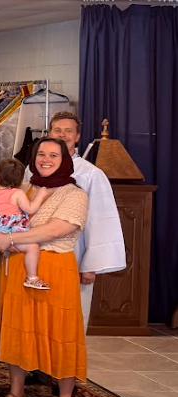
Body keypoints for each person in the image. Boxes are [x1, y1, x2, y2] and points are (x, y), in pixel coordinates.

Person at [0, 137, 89, 397]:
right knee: (18, 328)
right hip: (16, 266)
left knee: (60, 330)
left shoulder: (74, 194)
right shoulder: (24, 188)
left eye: (53, 155)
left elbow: (56, 229)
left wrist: (10, 238)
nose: (46, 159)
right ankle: (16, 392)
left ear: (65, 159)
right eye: (41, 154)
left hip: (54, 269)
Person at [46, 111, 126, 326]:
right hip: (39, 254)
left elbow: (100, 220)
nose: (62, 135)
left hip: (75, 253)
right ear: (49, 134)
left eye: (68, 131)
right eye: (57, 130)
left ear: (77, 137)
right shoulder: (34, 168)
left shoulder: (90, 174)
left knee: (71, 315)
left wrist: (90, 264)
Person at [0, 158, 52, 289]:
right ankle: (32, 277)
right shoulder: (17, 193)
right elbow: (30, 209)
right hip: (10, 233)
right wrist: (40, 195)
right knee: (33, 247)